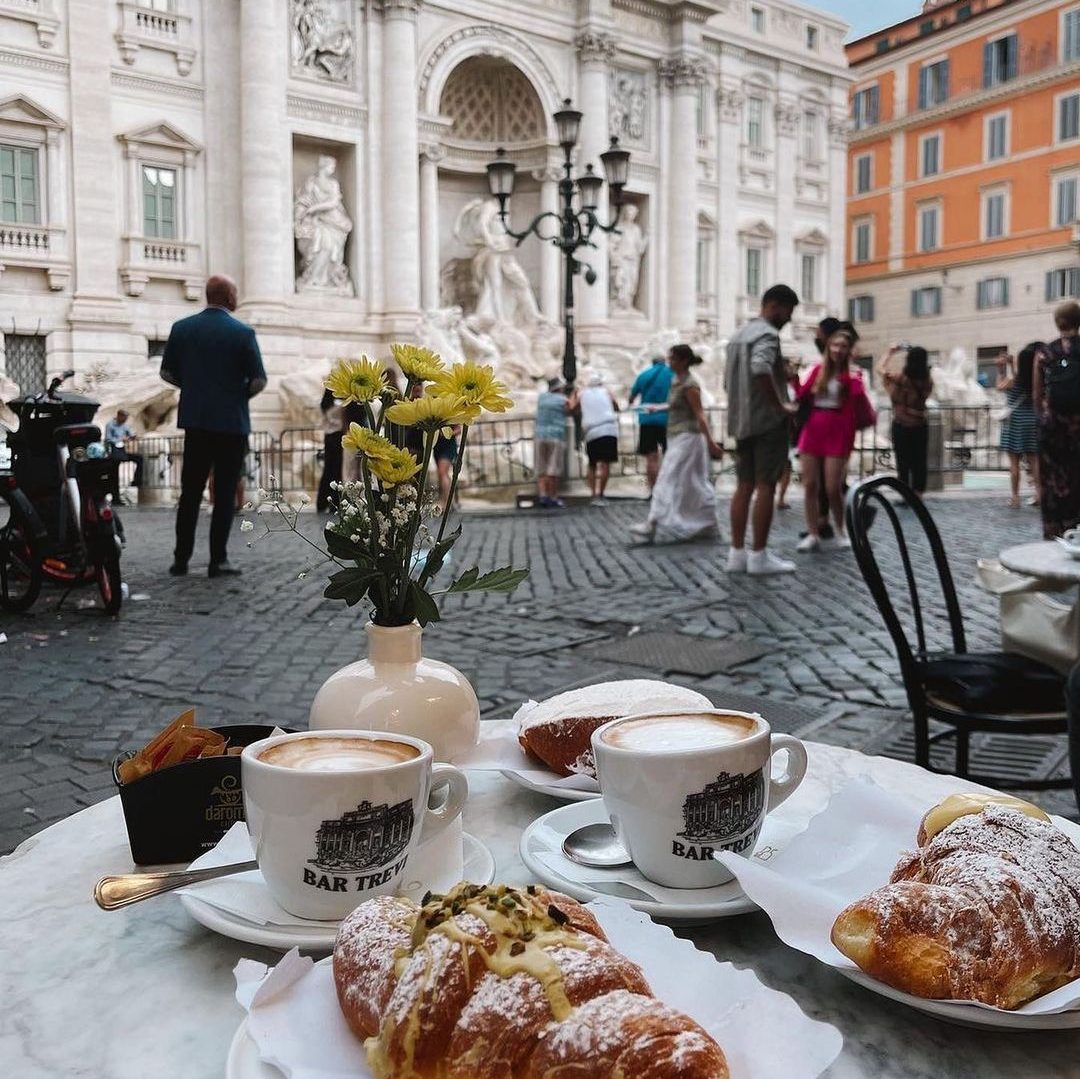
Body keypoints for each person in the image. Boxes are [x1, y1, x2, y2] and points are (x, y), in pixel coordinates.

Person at [160, 274, 267, 578]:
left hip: (195, 421)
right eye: (235, 292)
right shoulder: (243, 334)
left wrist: (192, 387)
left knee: (190, 492)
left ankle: (181, 559)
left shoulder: (182, 329)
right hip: (231, 423)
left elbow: (167, 373)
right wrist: (238, 394)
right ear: (228, 296)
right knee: (223, 494)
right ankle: (217, 560)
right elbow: (259, 380)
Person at [724, 283, 800, 576]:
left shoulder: (737, 336)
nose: (790, 318)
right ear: (775, 306)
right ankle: (759, 555)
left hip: (740, 421)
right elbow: (759, 368)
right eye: (788, 311)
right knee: (766, 485)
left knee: (743, 486)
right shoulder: (767, 334)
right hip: (767, 423)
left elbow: (729, 381)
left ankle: (736, 554)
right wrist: (780, 405)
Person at [630, 345, 722, 544]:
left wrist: (711, 443)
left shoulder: (690, 384)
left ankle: (651, 525)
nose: (669, 362)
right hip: (678, 436)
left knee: (667, 477)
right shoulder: (676, 380)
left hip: (688, 438)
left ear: (683, 361)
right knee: (694, 482)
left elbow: (700, 415)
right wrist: (657, 408)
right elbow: (676, 405)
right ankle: (708, 523)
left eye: (672, 359)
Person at [795, 327, 869, 551]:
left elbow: (858, 403)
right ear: (828, 347)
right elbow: (801, 395)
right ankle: (813, 533)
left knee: (832, 488)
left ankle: (840, 530)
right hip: (814, 427)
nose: (838, 349)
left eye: (843, 346)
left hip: (837, 429)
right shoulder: (818, 369)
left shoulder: (853, 374)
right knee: (809, 485)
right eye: (835, 345)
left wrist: (854, 378)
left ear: (849, 350)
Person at [1034, 301, 1080, 539]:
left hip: (1053, 426)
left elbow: (1037, 394)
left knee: (1051, 478)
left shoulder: (1045, 353)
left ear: (1057, 322)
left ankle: (1054, 531)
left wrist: (1042, 418)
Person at [880, 344, 934, 494]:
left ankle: (905, 493)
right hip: (920, 424)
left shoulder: (900, 379)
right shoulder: (928, 381)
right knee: (920, 460)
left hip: (901, 424)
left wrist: (889, 352)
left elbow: (880, 370)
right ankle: (919, 493)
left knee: (902, 461)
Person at [995, 345, 1041, 508]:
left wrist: (1001, 370)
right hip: (1032, 421)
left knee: (1014, 463)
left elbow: (999, 386)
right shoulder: (1036, 380)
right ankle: (1039, 494)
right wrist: (1011, 366)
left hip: (1015, 423)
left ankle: (1015, 498)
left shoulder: (1014, 381)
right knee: (1034, 461)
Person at [573, 372, 620, 506]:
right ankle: (601, 493)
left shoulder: (583, 394)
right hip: (608, 429)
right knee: (605, 464)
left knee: (592, 464)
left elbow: (575, 409)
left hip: (591, 432)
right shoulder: (606, 392)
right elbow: (616, 406)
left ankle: (593, 494)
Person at [628, 355, 674, 491]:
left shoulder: (643, 375)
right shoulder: (672, 374)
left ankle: (653, 490)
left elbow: (632, 397)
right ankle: (668, 489)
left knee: (651, 458)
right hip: (668, 419)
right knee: (670, 456)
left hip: (647, 420)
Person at [534, 377, 570, 508]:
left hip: (539, 435)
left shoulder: (541, 398)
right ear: (560, 388)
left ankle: (543, 495)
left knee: (541, 468)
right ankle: (553, 496)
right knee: (553, 468)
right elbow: (570, 409)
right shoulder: (562, 399)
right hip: (556, 435)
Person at [103, 408, 144, 503]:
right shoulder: (110, 425)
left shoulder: (125, 426)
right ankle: (115, 498)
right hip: (113, 451)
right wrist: (121, 439)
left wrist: (133, 437)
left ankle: (136, 481)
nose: (125, 420)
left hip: (122, 451)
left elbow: (131, 433)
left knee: (139, 458)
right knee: (114, 475)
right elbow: (108, 439)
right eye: (124, 418)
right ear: (119, 416)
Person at [316, 387, 343, 513]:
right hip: (338, 437)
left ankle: (322, 501)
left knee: (328, 470)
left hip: (328, 437)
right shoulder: (339, 407)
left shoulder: (325, 405)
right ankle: (335, 502)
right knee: (337, 471)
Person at [434, 425, 460, 512]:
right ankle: (448, 500)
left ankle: (447, 502)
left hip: (448, 445)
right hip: (438, 446)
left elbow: (458, 429)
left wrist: (447, 434)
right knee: (442, 474)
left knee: (442, 472)